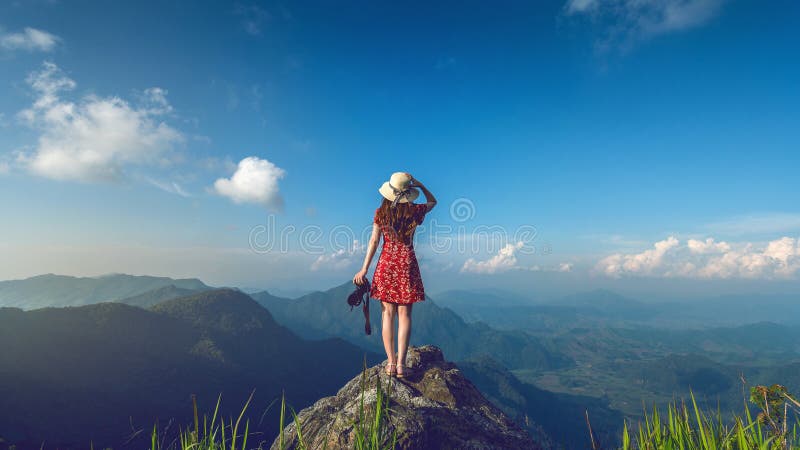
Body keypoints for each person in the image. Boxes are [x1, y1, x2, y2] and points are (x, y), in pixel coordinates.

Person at [353, 171, 437, 378]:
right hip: (406, 261)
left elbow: (374, 242)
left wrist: (364, 269)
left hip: (387, 262)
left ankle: (390, 364)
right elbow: (433, 201)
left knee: (387, 314)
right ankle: (401, 365)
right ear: (408, 192)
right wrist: (421, 184)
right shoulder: (415, 211)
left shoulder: (380, 212)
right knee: (404, 314)